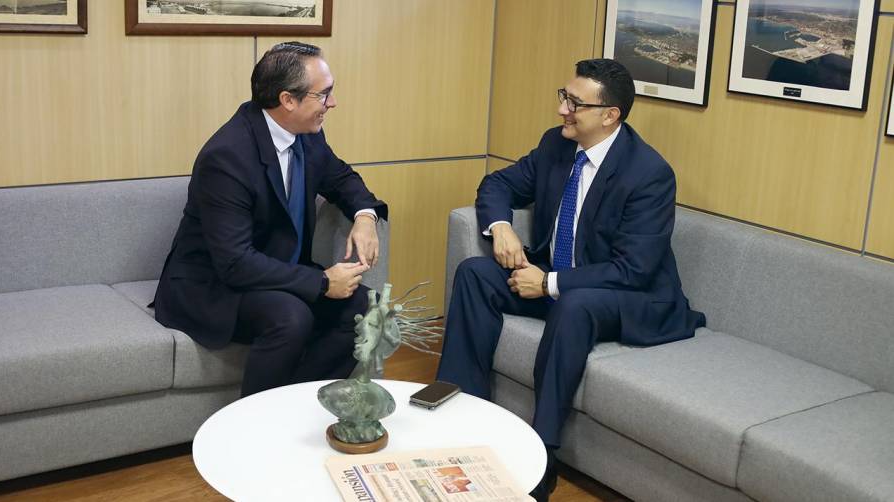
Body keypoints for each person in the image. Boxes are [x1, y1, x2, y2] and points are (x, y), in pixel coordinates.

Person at [435, 59, 705, 502]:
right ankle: (464, 410)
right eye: (564, 96)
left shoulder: (648, 174)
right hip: (564, 279)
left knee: (572, 304)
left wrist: (548, 284)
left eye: (574, 103)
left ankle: (541, 453)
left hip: (632, 297)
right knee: (475, 273)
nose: (562, 109)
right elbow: (498, 184)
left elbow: (633, 270)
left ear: (609, 114)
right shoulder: (557, 146)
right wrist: (500, 227)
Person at [153, 41, 387, 398]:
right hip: (215, 284)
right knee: (291, 317)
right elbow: (235, 263)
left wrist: (365, 216)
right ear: (288, 100)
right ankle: (250, 427)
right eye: (324, 94)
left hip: (276, 273)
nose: (333, 103)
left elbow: (340, 178)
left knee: (367, 310)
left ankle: (297, 405)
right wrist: (322, 282)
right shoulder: (228, 157)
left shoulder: (307, 135)